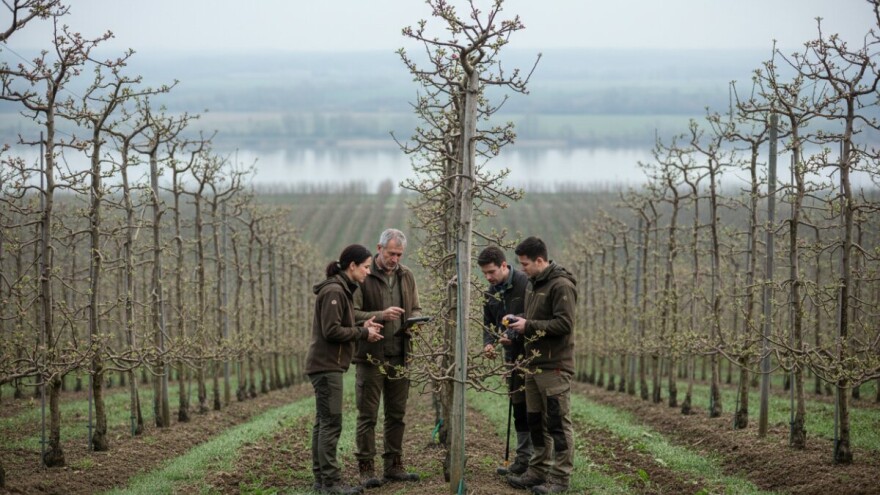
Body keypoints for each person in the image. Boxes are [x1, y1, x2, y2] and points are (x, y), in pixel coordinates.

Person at [306, 244, 384, 495]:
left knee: (323, 423)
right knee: (331, 424)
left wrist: (363, 322)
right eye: (365, 267)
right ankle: (331, 483)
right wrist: (363, 332)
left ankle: (322, 480)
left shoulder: (340, 290)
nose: (368, 272)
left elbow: (341, 323)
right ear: (352, 266)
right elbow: (331, 330)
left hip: (327, 366)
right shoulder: (335, 291)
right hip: (326, 366)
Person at [504, 237, 577, 495]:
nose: (522, 269)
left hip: (553, 366)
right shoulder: (534, 285)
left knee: (557, 423)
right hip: (532, 364)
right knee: (536, 421)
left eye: (525, 264)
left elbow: (564, 324)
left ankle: (560, 479)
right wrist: (518, 323)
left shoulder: (561, 285)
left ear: (540, 260)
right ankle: (538, 470)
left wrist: (529, 326)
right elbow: (535, 319)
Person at [353, 228, 422, 487]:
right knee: (368, 415)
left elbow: (415, 306)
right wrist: (381, 315)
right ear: (379, 249)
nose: (395, 259)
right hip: (371, 357)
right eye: (391, 253)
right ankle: (366, 467)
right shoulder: (364, 275)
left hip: (401, 355)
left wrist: (414, 321)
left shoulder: (407, 275)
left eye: (399, 254)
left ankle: (394, 465)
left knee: (397, 414)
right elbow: (353, 313)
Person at [478, 245, 532, 476]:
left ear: (503, 265)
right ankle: (522, 459)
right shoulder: (490, 292)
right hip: (510, 359)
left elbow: (537, 317)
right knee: (518, 407)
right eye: (485, 274)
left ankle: (538, 462)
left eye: (491, 272)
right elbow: (488, 324)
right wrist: (488, 342)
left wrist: (516, 333)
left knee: (535, 410)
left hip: (532, 357)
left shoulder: (525, 283)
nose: (489, 278)